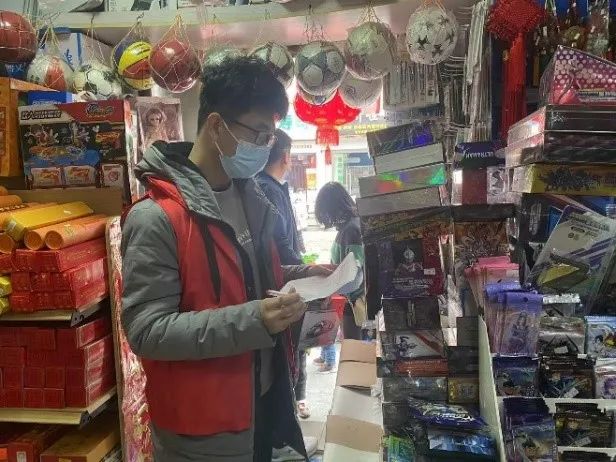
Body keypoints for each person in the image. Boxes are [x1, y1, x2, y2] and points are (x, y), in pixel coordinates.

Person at [121, 56, 328, 462]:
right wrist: (255, 319)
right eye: (259, 134)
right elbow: (147, 330)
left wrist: (306, 275)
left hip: (264, 403)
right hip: (202, 433)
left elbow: (247, 278)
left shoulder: (251, 197)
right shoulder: (156, 218)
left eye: (271, 136)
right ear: (216, 126)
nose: (265, 147)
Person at [256, 129, 310, 421]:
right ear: (286, 156)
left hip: (274, 286)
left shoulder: (262, 186)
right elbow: (281, 247)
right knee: (289, 355)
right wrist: (307, 273)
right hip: (282, 287)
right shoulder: (270, 189)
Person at [313, 182, 364, 372]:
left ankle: (355, 382)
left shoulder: (351, 230)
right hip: (349, 302)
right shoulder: (347, 227)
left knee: (354, 356)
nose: (327, 220)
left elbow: (355, 277)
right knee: (353, 352)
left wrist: (327, 289)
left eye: (325, 214)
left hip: (355, 304)